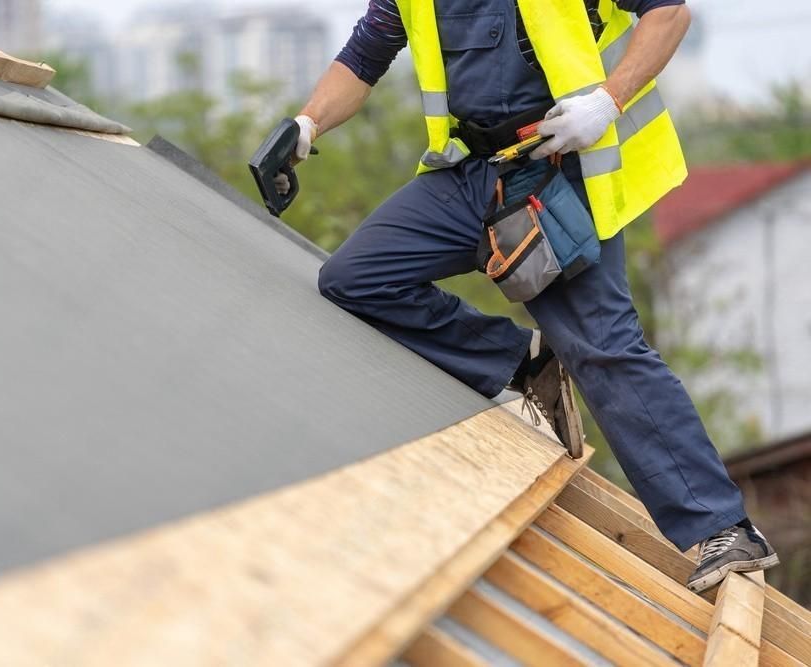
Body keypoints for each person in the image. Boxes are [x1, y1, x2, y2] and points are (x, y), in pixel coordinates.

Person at [276, 0, 779, 592]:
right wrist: (305, 126)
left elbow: (669, 14)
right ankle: (524, 362)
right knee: (355, 278)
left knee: (603, 347)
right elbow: (363, 57)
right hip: (472, 173)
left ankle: (723, 526)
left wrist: (605, 103)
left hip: (556, 171)